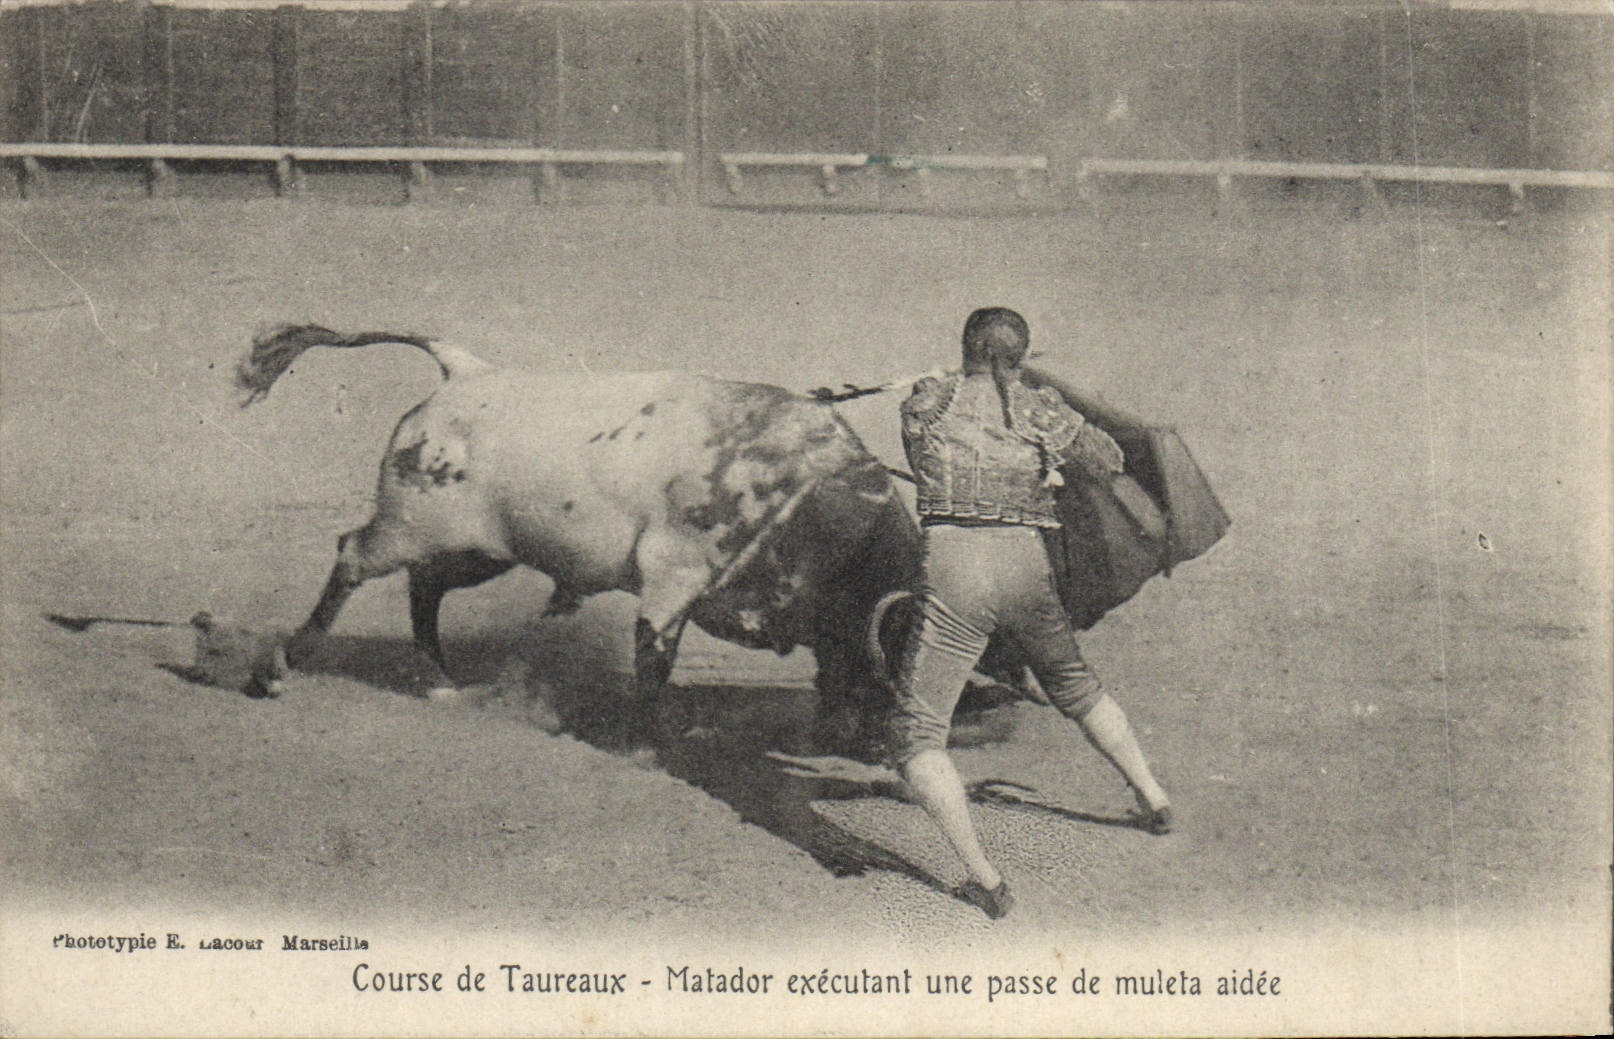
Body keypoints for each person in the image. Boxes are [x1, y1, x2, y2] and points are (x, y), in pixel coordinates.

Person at [892, 306, 1173, 920]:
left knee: (917, 734)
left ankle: (985, 880)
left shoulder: (924, 402)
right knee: (1071, 682)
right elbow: (1107, 459)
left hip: (955, 571)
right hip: (1025, 567)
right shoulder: (1042, 409)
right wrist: (1051, 400)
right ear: (1020, 355)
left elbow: (918, 446)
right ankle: (1152, 796)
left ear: (964, 345)